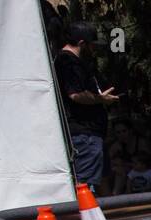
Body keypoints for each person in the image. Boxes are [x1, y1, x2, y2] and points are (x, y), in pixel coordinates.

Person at [53, 22, 119, 192]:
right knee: (85, 186)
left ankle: (105, 215)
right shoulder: (68, 62)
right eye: (92, 45)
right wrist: (100, 99)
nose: (94, 49)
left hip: (91, 133)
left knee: (102, 179)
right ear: (82, 43)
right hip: (83, 133)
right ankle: (85, 217)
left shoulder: (72, 61)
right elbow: (75, 94)